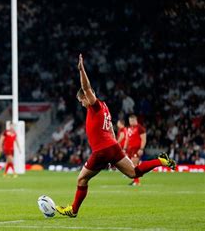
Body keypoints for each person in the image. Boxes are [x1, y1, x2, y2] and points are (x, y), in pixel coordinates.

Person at [56, 54, 176, 218]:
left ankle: (74, 210)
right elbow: (111, 130)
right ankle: (160, 160)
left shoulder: (95, 104)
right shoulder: (105, 107)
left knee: (81, 180)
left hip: (101, 150)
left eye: (81, 100)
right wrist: (115, 153)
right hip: (112, 147)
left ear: (86, 97)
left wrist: (81, 70)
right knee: (133, 173)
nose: (81, 103)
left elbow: (86, 87)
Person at [124, 115, 147, 186]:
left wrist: (141, 149)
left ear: (135, 120)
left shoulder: (140, 128)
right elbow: (127, 139)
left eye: (132, 120)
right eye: (129, 121)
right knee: (132, 165)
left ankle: (137, 181)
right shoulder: (129, 128)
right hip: (130, 149)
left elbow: (144, 139)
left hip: (136, 149)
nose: (130, 122)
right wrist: (124, 148)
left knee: (134, 164)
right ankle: (135, 180)